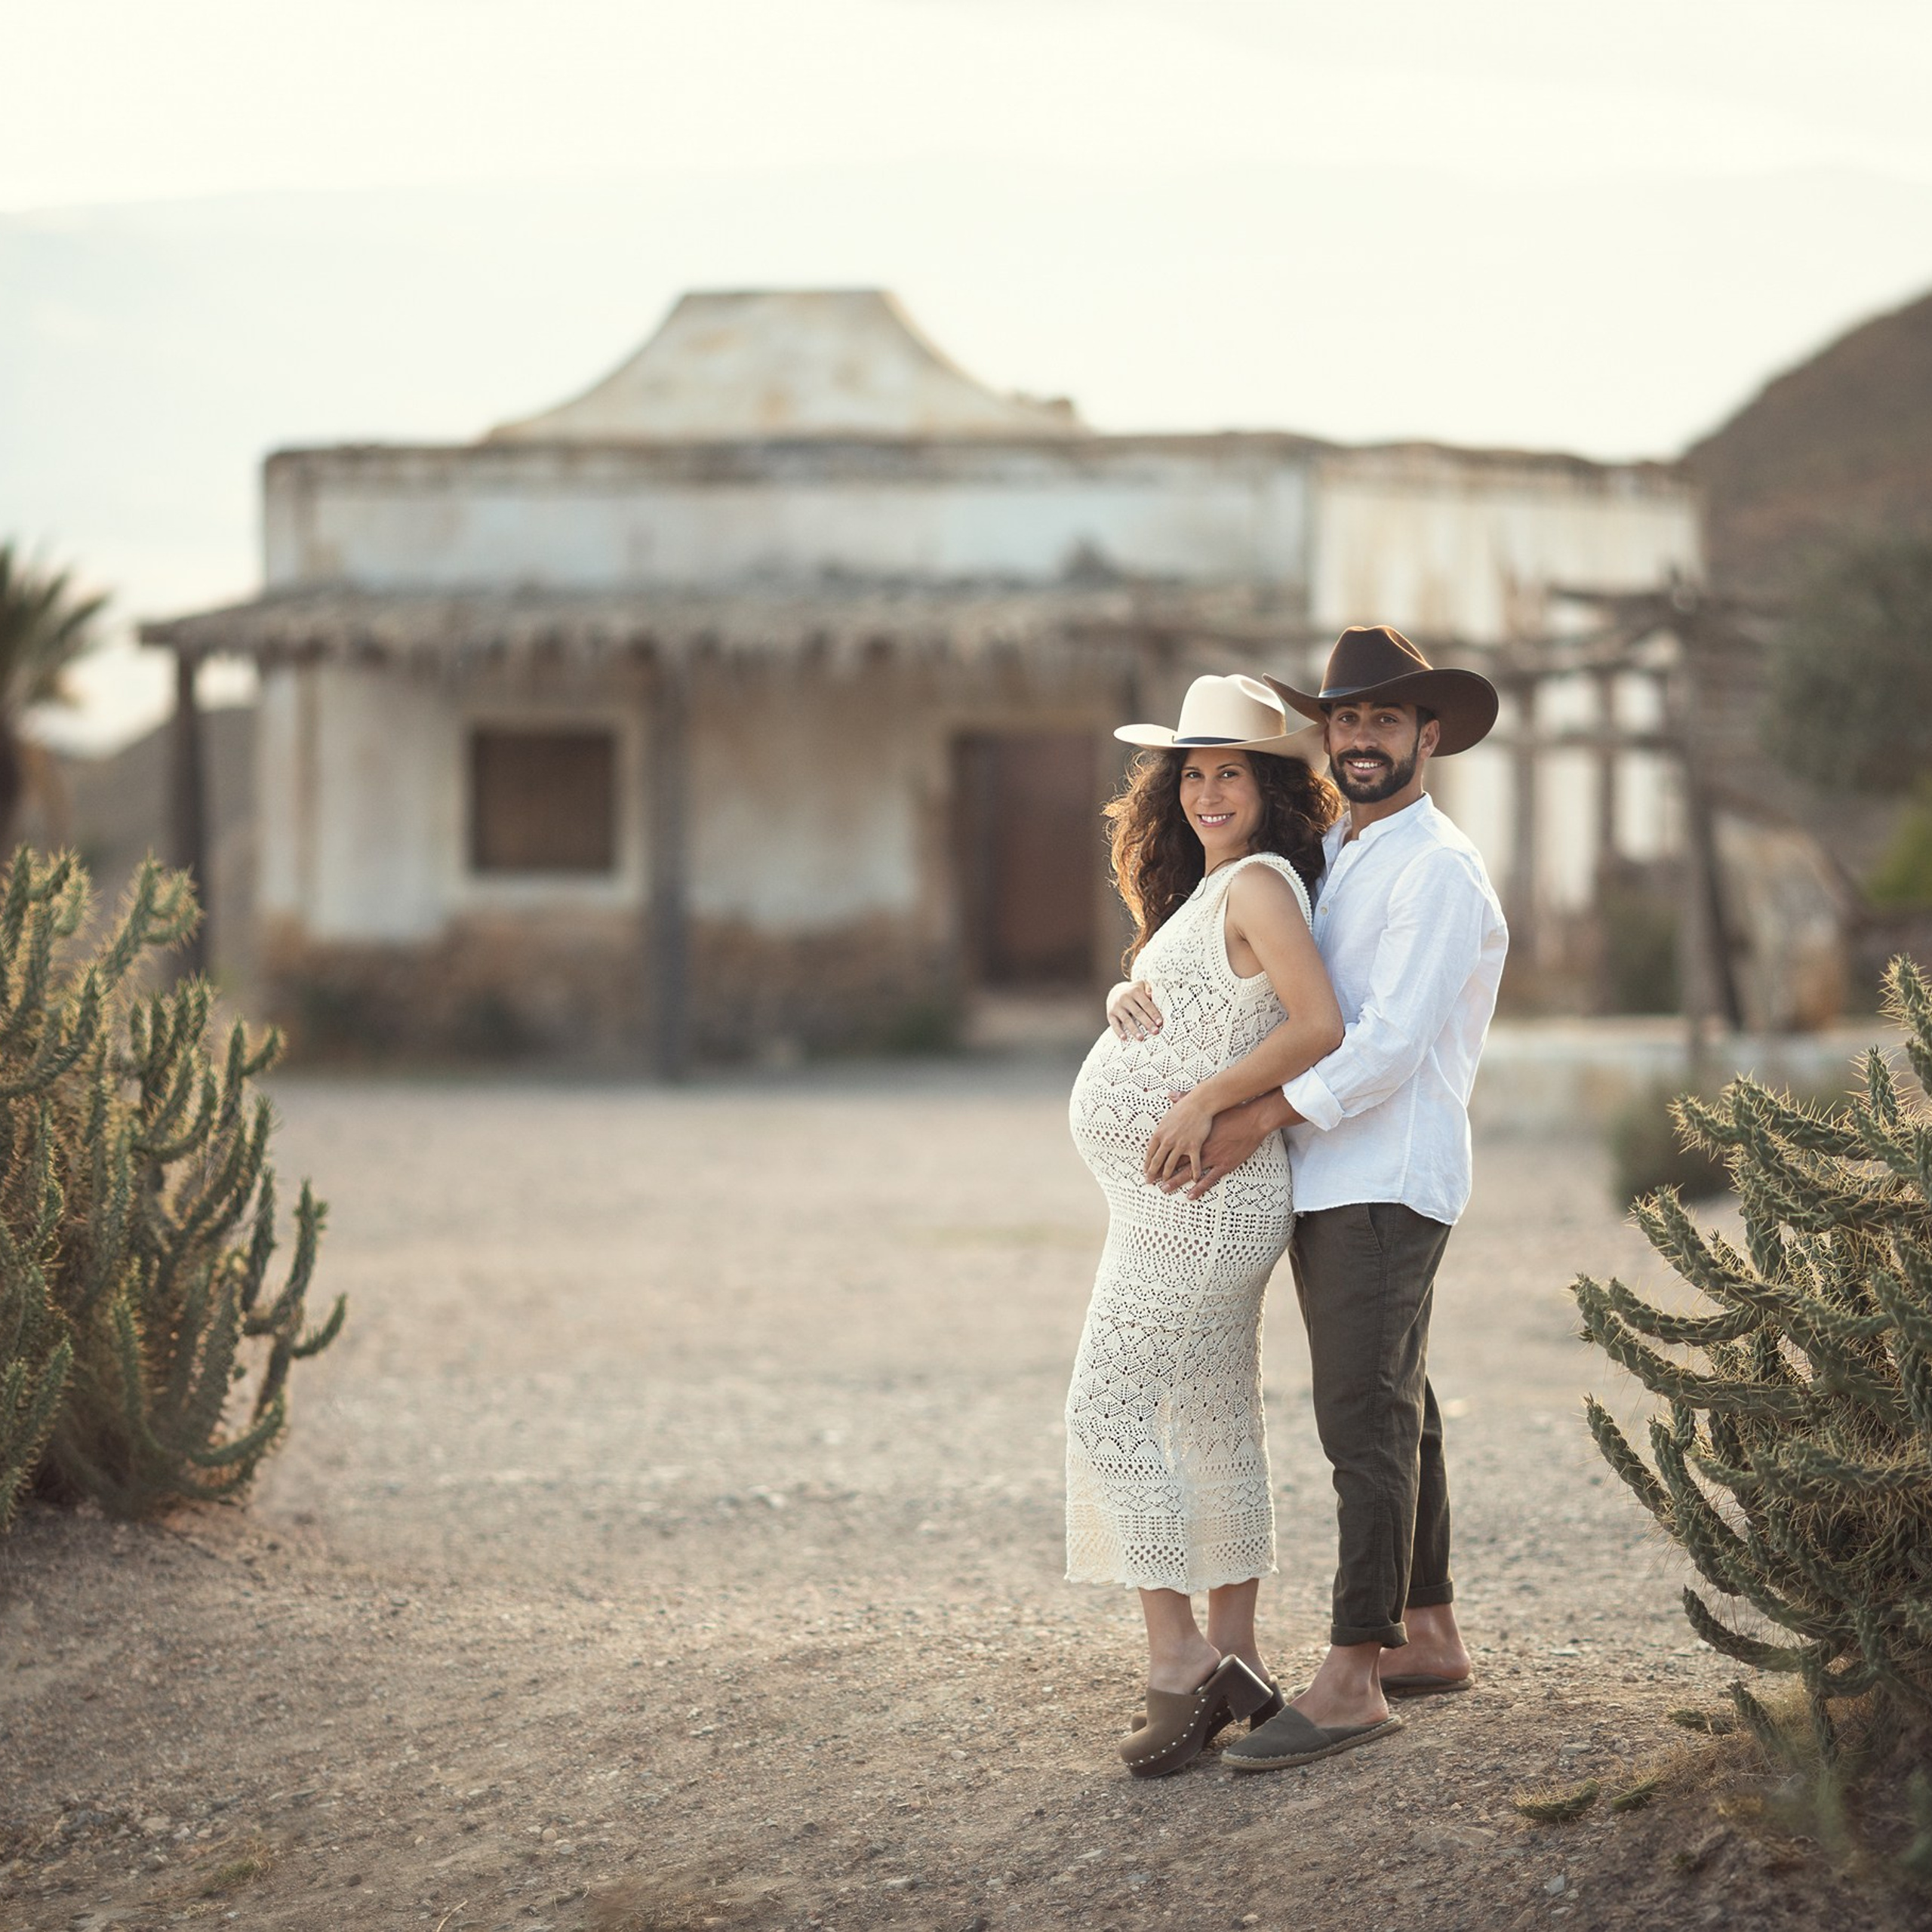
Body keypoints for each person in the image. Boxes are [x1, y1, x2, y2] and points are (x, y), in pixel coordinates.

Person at [1155, 626, 1509, 1776]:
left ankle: (1355, 1673)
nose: (1362, 739)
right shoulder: (1352, 851)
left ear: (1429, 734)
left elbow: (1393, 1045)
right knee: (1400, 1402)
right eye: (1347, 721)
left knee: (1359, 1419)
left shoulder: (1437, 868)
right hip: (1337, 1174)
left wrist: (1253, 1117)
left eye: (1385, 721)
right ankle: (1430, 1634)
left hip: (1386, 1174)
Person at [1064, 672, 1345, 1780]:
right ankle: (1232, 1655)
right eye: (1193, 773)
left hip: (1204, 1192)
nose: (1209, 791)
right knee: (1212, 1416)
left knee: (1108, 1405)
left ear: (1272, 787)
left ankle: (1179, 1663)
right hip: (1181, 1200)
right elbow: (1208, 1004)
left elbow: (1319, 1023)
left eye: (1231, 771)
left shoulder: (1262, 884)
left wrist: (1199, 1100)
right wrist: (1125, 996)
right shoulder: (1215, 889)